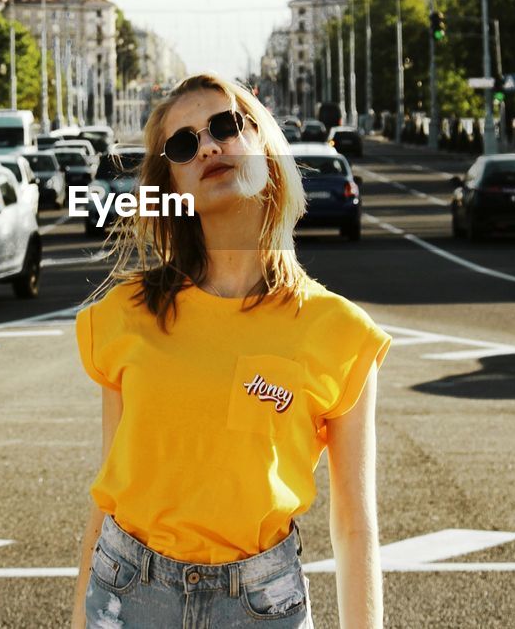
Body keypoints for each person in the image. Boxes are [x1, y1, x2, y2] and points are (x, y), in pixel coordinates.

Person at [71, 74, 390, 629]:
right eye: (183, 144)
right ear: (171, 184)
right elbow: (110, 492)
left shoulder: (339, 332)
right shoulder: (127, 314)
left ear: (263, 142)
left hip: (263, 605)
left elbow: (356, 525)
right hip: (127, 595)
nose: (210, 146)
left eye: (224, 125)